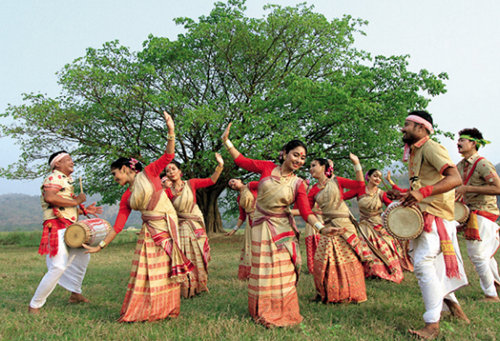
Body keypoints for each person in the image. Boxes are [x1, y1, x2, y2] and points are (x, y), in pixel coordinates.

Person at [222, 123, 339, 327]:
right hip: (260, 227)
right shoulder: (267, 167)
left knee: (283, 268)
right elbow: (242, 160)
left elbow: (305, 211)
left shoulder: (298, 184)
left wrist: (321, 228)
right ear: (284, 153)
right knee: (264, 269)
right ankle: (262, 308)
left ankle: (284, 308)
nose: (299, 161)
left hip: (282, 229)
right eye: (296, 155)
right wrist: (226, 141)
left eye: (303, 158)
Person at [83, 111, 193, 322]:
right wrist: (101, 245)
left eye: (115, 174)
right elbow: (117, 226)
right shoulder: (127, 196)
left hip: (167, 230)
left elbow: (168, 156)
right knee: (147, 273)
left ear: (125, 169)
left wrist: (171, 130)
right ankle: (145, 309)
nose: (115, 178)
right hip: (149, 236)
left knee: (166, 271)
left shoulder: (151, 173)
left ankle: (166, 308)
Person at [388, 111, 469, 339]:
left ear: (421, 128)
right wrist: (404, 193)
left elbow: (455, 179)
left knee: (423, 265)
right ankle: (455, 308)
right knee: (435, 268)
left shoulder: (431, 147)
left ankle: (432, 324)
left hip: (435, 218)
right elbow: (426, 186)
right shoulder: (416, 151)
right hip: (427, 214)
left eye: (407, 125)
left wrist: (422, 192)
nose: (403, 129)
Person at [28, 151, 102, 314]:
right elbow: (50, 198)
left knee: (83, 256)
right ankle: (35, 305)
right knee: (58, 267)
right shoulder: (54, 178)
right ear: (57, 164)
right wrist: (76, 201)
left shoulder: (64, 180)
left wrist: (82, 211)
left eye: (71, 159)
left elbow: (62, 206)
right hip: (57, 226)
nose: (72, 162)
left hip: (67, 225)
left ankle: (75, 293)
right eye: (67, 160)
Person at [304, 156, 369, 303]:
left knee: (349, 259)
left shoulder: (337, 181)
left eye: (314, 165)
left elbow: (359, 185)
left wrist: (356, 164)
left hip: (344, 225)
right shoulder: (313, 189)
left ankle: (352, 294)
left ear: (324, 167)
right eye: (310, 166)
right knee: (323, 260)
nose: (311, 169)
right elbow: (306, 210)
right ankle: (328, 293)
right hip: (328, 227)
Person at [164, 154, 224, 298]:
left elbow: (212, 180)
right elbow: (161, 208)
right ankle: (186, 287)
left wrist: (220, 165)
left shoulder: (191, 184)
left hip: (195, 224)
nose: (171, 172)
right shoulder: (166, 191)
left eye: (173, 168)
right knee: (183, 256)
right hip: (180, 226)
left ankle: (200, 285)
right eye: (167, 171)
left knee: (199, 256)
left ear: (180, 172)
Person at [456, 128, 500, 302]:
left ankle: (490, 294)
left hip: (484, 212)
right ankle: (496, 285)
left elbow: (498, 188)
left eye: (462, 140)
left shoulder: (482, 163)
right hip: (472, 214)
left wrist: (468, 188)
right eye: (458, 140)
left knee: (477, 254)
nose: (458, 143)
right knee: (485, 255)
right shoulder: (459, 166)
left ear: (473, 143)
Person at [343, 168, 406, 283]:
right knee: (364, 247)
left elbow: (391, 206)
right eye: (375, 176)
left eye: (379, 177)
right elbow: (342, 197)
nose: (378, 179)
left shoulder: (381, 193)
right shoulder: (359, 190)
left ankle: (386, 271)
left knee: (386, 245)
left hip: (378, 223)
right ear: (368, 177)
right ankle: (369, 272)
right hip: (364, 225)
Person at [225, 179, 259, 280]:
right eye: (230, 186)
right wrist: (234, 230)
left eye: (233, 181)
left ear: (240, 180)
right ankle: (252, 273)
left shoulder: (251, 186)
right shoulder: (239, 198)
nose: (232, 184)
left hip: (260, 217)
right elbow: (242, 216)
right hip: (250, 221)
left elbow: (266, 184)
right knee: (252, 247)